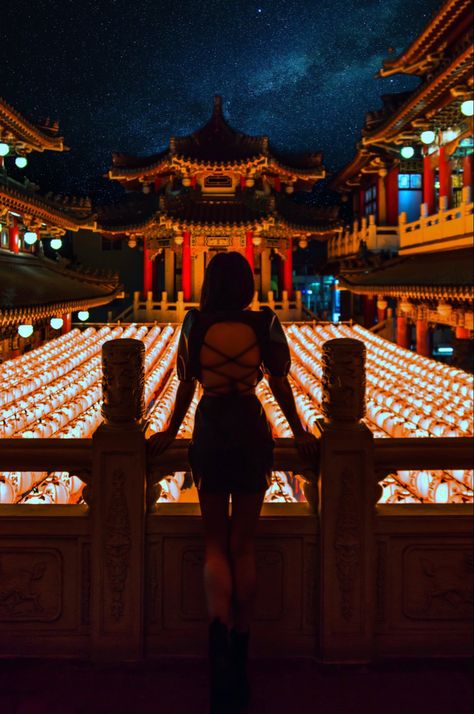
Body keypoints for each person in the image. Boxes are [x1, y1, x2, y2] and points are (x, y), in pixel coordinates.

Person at [148, 251, 318, 713]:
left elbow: (185, 383)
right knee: (244, 543)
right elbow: (280, 381)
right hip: (248, 424)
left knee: (214, 543)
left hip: (210, 424)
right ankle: (243, 644)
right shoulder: (264, 324)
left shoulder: (194, 323)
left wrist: (168, 429)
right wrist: (300, 431)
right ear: (246, 284)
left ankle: (218, 640)